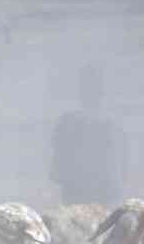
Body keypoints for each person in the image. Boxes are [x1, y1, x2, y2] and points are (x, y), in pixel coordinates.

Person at [50, 62, 127, 205]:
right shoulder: (111, 123)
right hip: (98, 189)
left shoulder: (67, 121)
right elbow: (121, 165)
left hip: (79, 189)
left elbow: (57, 164)